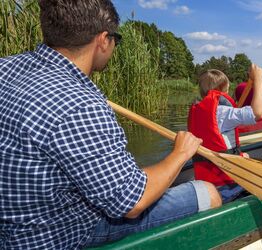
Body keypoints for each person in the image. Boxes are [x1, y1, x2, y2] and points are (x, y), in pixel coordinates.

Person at [0, 1, 221, 248]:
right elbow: (132, 203)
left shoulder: (5, 67)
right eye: (117, 39)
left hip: (10, 230)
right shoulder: (81, 103)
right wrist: (181, 152)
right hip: (57, 234)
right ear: (104, 40)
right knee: (207, 192)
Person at [188, 66, 262, 203]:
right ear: (224, 89)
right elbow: (258, 113)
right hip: (226, 185)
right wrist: (258, 79)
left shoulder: (197, 112)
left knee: (245, 156)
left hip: (207, 181)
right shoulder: (223, 112)